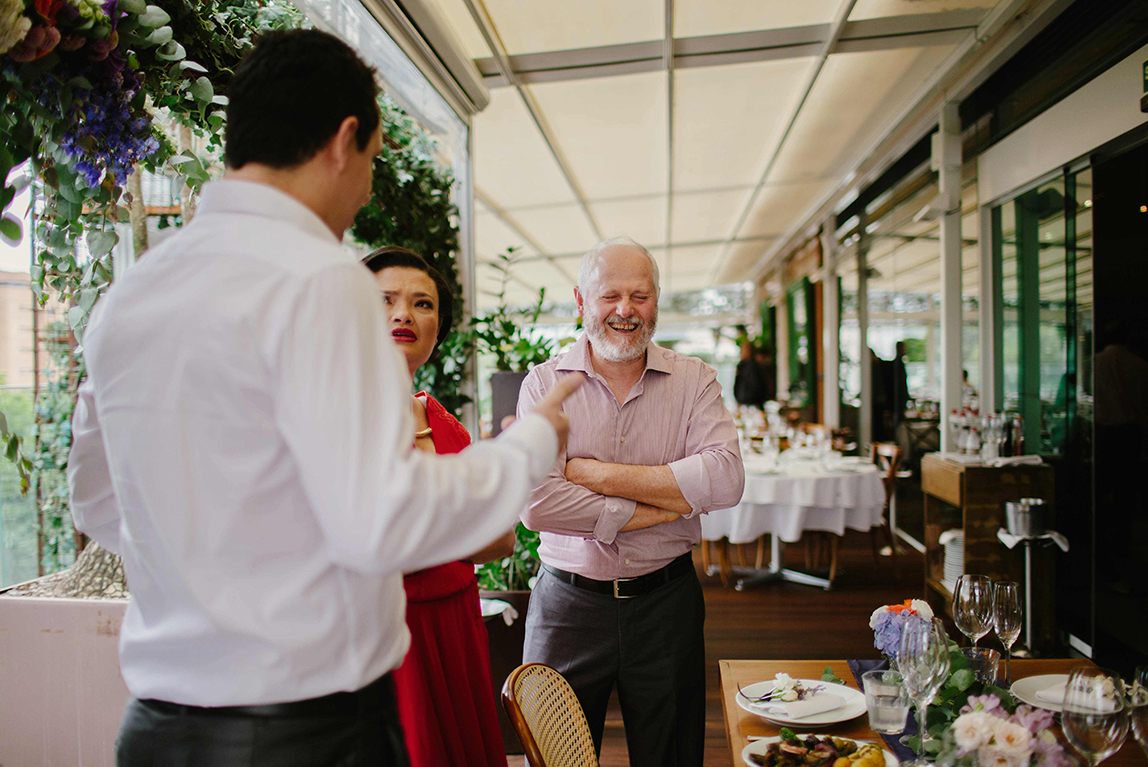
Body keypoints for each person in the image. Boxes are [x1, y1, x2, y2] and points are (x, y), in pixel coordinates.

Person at [66, 29, 582, 767]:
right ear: (345, 141)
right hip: (300, 732)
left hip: (155, 731)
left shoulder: (128, 296)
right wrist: (533, 441)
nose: (368, 185)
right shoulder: (320, 277)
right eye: (372, 160)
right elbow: (388, 517)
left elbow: (98, 504)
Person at [516, 235, 745, 765]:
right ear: (580, 301)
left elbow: (727, 478)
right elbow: (537, 504)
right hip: (566, 609)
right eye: (609, 295)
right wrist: (660, 507)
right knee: (554, 759)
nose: (625, 310)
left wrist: (595, 474)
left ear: (657, 302)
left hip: (667, 605)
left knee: (672, 756)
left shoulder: (695, 380)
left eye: (640, 296)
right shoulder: (544, 384)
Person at [363, 246, 510, 767]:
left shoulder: (443, 422)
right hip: (388, 637)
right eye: (385, 300)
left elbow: (503, 537)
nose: (404, 313)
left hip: (457, 625)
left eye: (422, 303)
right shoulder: (340, 420)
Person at [733, 340, 768, 409]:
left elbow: (754, 385)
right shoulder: (742, 365)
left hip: (750, 403)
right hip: (745, 402)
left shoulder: (752, 367)